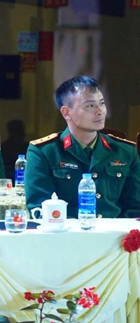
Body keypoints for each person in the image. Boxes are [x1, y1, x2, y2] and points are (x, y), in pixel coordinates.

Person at [25, 76, 140, 218]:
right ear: (66, 112)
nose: (100, 111)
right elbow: (39, 208)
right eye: (90, 106)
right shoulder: (44, 151)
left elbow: (135, 208)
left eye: (102, 103)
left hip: (116, 230)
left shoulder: (125, 151)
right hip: (65, 230)